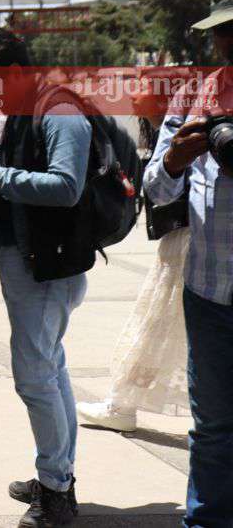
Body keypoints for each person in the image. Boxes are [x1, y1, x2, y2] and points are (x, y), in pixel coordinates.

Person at [0, 26, 90, 528]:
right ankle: (60, 475)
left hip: (48, 266)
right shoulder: (18, 109)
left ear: (11, 72)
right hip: (29, 260)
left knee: (35, 378)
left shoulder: (60, 110)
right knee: (51, 370)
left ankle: (55, 491)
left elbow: (67, 185)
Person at [143, 0, 233, 528]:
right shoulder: (191, 96)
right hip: (209, 290)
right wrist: (176, 157)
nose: (229, 39)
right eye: (224, 29)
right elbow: (156, 189)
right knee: (215, 428)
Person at [78, 74, 191, 433]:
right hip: (180, 239)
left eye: (139, 85)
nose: (130, 93)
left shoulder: (185, 131)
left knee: (155, 324)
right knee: (157, 325)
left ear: (163, 97)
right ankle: (121, 403)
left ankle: (121, 405)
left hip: (188, 242)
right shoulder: (162, 130)